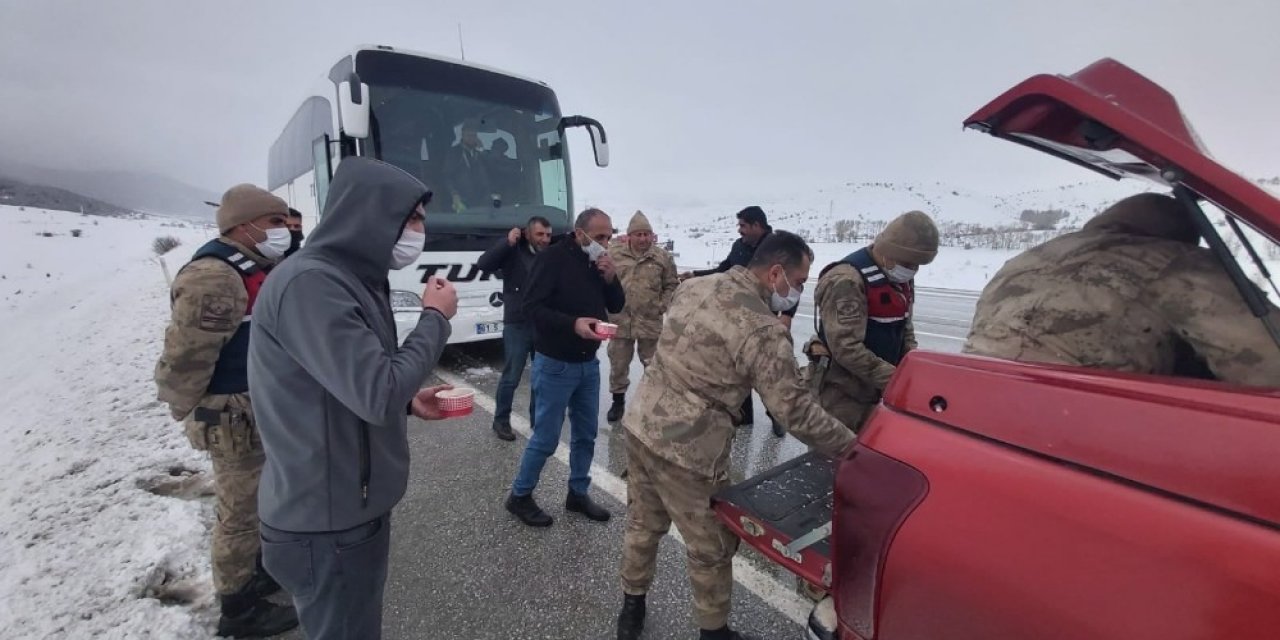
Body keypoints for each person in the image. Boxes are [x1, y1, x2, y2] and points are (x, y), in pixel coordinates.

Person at [247, 157, 460, 639]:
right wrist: (435, 319)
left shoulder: (349, 277)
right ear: (371, 213)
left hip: (343, 511)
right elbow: (377, 392)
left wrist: (408, 401)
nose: (420, 231)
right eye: (412, 218)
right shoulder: (313, 284)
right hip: (327, 524)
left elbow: (347, 382)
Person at [616, 231, 857, 640]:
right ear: (775, 273)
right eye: (799, 282)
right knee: (710, 548)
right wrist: (854, 447)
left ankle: (631, 607)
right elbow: (794, 410)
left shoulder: (697, 286)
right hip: (689, 449)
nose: (797, 291)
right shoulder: (762, 329)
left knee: (642, 524)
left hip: (641, 424)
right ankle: (713, 632)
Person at [154, 184, 299, 637]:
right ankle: (238, 610)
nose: (284, 230)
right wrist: (192, 411)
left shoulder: (249, 265)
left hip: (255, 408)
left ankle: (256, 573)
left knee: (261, 501)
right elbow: (186, 357)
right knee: (240, 513)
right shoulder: (215, 277)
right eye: (275, 222)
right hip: (232, 415)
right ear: (243, 225)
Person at [965, 192, 1280, 385]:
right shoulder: (1176, 262)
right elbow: (1266, 363)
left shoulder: (1029, 258)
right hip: (1088, 420)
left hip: (977, 398)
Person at [505, 208, 626, 527]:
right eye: (599, 237)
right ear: (579, 232)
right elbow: (531, 308)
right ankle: (520, 496)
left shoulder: (598, 261)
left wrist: (611, 278)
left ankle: (577, 493)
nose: (605, 243)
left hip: (588, 363)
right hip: (555, 363)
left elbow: (616, 305)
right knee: (546, 437)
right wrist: (573, 324)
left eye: (609, 237)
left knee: (586, 435)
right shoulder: (553, 258)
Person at [805, 210, 939, 431]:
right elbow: (846, 348)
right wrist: (895, 379)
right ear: (889, 253)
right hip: (843, 396)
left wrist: (911, 368)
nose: (912, 271)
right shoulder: (846, 281)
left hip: (881, 392)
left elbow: (904, 327)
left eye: (917, 266)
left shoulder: (899, 277)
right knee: (840, 451)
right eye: (908, 264)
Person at [680, 206, 795, 435]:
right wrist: (695, 275)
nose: (739, 230)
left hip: (764, 317)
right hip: (737, 316)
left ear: (756, 225)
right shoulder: (739, 245)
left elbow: (790, 283)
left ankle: (776, 415)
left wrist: (787, 315)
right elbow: (724, 270)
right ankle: (744, 414)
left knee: (767, 369)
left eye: (743, 225)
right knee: (738, 366)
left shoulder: (777, 249)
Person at [477, 215, 554, 440]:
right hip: (517, 324)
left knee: (541, 377)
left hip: (543, 324)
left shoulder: (550, 254)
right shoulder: (513, 250)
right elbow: (483, 264)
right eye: (540, 234)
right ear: (527, 233)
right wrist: (506, 242)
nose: (545, 239)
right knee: (511, 376)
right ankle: (501, 421)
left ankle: (537, 421)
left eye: (548, 235)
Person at [605, 210, 680, 423]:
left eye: (647, 234)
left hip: (650, 321)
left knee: (653, 365)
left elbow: (671, 284)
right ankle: (618, 402)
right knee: (618, 364)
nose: (643, 239)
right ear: (629, 236)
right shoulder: (614, 254)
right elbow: (603, 279)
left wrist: (661, 305)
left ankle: (652, 404)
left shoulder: (661, 257)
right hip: (620, 321)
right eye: (638, 234)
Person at [444, 119, 493, 212]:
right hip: (462, 200)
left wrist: (482, 149)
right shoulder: (454, 152)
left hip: (483, 200)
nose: (471, 138)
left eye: (474, 135)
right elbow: (447, 176)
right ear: (462, 135)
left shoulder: (481, 153)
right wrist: (454, 194)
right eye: (469, 135)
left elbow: (492, 170)